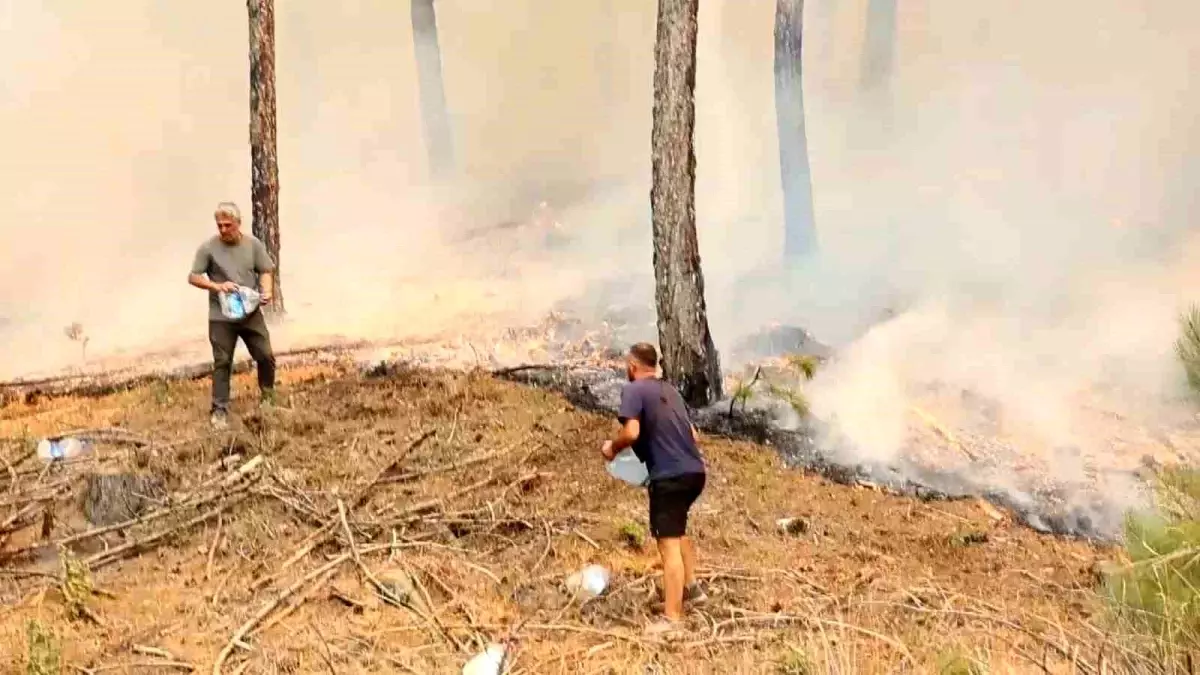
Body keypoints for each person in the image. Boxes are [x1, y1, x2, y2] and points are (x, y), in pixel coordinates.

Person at [601, 342, 708, 635]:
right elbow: (694, 437)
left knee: (667, 543)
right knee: (678, 529)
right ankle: (692, 589)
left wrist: (612, 448)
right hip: (695, 472)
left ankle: (672, 619)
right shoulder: (670, 391)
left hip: (669, 476)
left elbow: (632, 432)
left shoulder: (633, 390)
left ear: (632, 366)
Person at [187, 202, 277, 429]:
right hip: (221, 317)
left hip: (249, 313)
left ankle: (268, 399)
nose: (224, 230)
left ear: (238, 223)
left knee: (265, 355)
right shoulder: (208, 248)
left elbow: (266, 269)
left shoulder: (253, 245)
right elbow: (193, 277)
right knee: (222, 362)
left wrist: (267, 291)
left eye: (228, 225)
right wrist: (217, 286)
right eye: (220, 226)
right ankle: (219, 410)